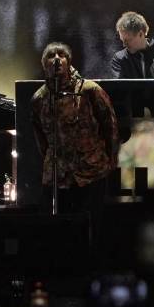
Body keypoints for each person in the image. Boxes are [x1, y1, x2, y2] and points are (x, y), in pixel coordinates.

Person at [31, 42, 119, 221]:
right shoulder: (39, 99)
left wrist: (110, 160)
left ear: (68, 61)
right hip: (57, 176)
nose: (56, 59)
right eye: (51, 55)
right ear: (44, 64)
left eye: (61, 55)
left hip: (91, 173)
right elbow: (40, 138)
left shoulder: (90, 90)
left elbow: (110, 127)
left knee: (91, 227)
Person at [109, 12, 154, 79]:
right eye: (123, 40)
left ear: (141, 34)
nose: (124, 45)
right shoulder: (119, 58)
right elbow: (119, 89)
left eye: (128, 40)